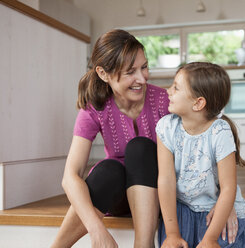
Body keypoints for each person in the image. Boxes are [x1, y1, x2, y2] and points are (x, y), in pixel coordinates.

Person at [50, 29, 170, 248]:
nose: (142, 79)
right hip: (118, 198)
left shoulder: (163, 100)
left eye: (144, 67)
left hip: (159, 196)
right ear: (103, 74)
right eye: (130, 72)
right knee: (108, 170)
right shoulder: (94, 109)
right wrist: (97, 230)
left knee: (140, 148)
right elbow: (70, 176)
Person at [156, 62, 245, 248]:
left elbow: (228, 188)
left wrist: (210, 239)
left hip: (215, 207)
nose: (168, 91)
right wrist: (172, 233)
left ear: (198, 103)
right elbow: (166, 180)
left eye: (176, 88)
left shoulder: (220, 131)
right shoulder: (165, 127)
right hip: (181, 208)